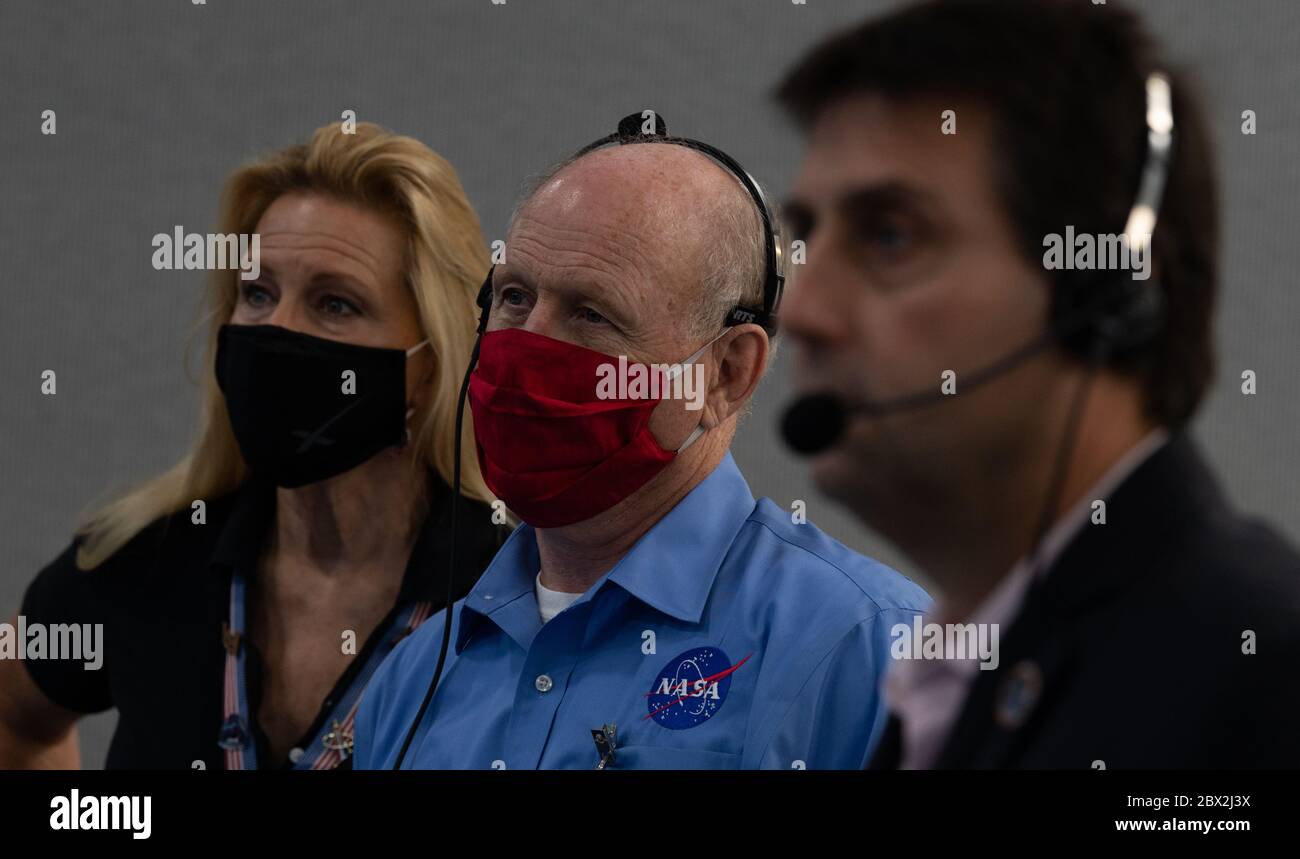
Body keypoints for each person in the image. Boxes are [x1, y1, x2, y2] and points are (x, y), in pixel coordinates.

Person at [775, 0, 1300, 768]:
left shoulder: (1261, 672)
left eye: (890, 235)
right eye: (809, 236)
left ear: (1104, 288)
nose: (802, 309)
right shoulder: (941, 681)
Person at [353, 115, 929, 770]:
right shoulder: (416, 679)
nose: (529, 344)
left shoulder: (874, 652)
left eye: (591, 313)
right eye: (514, 297)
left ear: (726, 373)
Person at [0, 122, 506, 769]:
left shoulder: (510, 592)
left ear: (432, 360)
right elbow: (14, 714)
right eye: (257, 293)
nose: (277, 330)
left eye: (335, 303)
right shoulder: (141, 560)